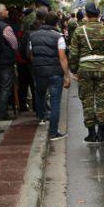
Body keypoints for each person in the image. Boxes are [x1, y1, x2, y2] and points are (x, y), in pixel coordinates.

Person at [69, 2, 104, 144]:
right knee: (102, 99)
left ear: (86, 14)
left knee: (87, 100)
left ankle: (91, 133)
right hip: (102, 68)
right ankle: (102, 133)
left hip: (84, 69)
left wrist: (73, 69)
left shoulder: (79, 31)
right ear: (98, 15)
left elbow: (73, 54)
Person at [29, 11, 71, 140]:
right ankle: (53, 132)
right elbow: (62, 57)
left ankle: (41, 118)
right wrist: (67, 75)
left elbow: (31, 54)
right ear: (57, 23)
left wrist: (37, 65)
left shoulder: (33, 36)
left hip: (39, 71)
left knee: (40, 94)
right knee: (55, 102)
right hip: (55, 73)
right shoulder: (58, 37)